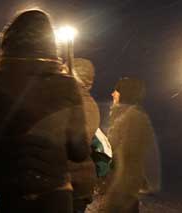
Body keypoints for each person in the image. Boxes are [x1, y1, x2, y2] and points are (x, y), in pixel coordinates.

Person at [0, 10, 90, 213]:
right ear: (50, 44)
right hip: (55, 197)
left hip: (12, 196)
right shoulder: (66, 85)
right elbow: (79, 151)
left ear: (9, 40)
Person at [103, 77, 155, 213]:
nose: (113, 94)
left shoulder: (133, 118)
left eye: (116, 91)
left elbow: (128, 158)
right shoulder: (124, 117)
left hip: (123, 191)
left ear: (125, 94)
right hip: (120, 188)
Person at [69, 58, 100, 213]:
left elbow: (76, 145)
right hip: (72, 182)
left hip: (73, 183)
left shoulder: (85, 105)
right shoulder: (76, 102)